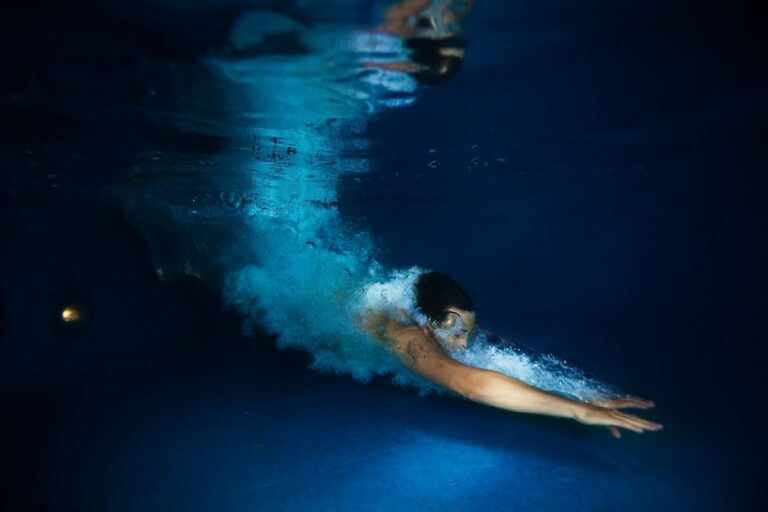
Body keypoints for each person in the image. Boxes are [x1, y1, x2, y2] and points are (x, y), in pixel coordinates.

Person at [360, 271, 663, 439]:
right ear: (426, 324)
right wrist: (577, 410)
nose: (464, 344)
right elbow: (472, 386)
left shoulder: (439, 323)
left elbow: (508, 359)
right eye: (457, 333)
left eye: (467, 332)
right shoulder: (406, 336)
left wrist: (585, 393)